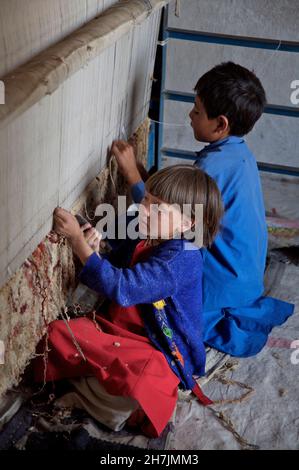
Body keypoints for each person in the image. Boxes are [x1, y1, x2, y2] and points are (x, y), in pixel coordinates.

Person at [111, 62, 294, 357]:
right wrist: (141, 172)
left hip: (222, 287)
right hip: (246, 279)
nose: (190, 115)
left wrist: (131, 174)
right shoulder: (239, 154)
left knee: (139, 249)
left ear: (220, 124)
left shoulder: (210, 168)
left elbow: (166, 220)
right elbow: (171, 202)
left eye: (197, 110)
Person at [34, 165, 223, 438]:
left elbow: (123, 286)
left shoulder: (183, 258)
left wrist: (77, 241)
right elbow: (117, 269)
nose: (144, 209)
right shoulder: (150, 238)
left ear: (187, 223)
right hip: (119, 331)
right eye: (146, 199)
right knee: (57, 334)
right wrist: (93, 248)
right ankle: (95, 390)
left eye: (158, 207)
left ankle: (102, 396)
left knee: (143, 378)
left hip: (155, 346)